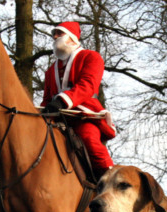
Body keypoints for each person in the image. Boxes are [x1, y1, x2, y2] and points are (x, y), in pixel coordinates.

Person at [41, 21, 116, 180]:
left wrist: (61, 101)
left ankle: (111, 182)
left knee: (89, 140)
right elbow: (46, 100)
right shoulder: (50, 71)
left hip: (82, 114)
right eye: (54, 34)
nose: (54, 37)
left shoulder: (91, 57)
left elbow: (88, 85)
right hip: (56, 118)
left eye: (59, 33)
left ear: (71, 37)